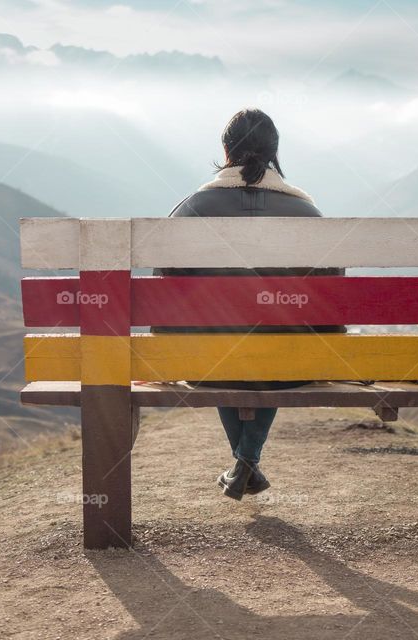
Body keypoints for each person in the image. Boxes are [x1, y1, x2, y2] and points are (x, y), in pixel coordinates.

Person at [153, 108, 344, 501]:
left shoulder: (190, 210)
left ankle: (244, 461)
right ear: (275, 151)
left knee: (225, 344)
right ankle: (246, 461)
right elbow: (333, 301)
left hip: (206, 361)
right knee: (274, 341)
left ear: (225, 150)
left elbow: (163, 295)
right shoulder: (309, 214)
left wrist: (168, 339)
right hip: (293, 362)